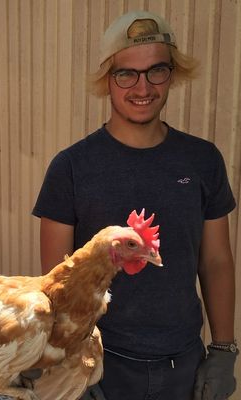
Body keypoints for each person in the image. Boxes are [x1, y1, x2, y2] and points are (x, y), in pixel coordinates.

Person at [32, 10, 237, 400]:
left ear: (172, 74)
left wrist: (224, 350)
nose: (142, 87)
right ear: (107, 81)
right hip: (102, 365)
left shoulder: (202, 160)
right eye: (126, 74)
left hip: (184, 365)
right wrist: (68, 360)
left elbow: (216, 262)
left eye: (156, 71)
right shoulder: (71, 167)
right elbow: (56, 282)